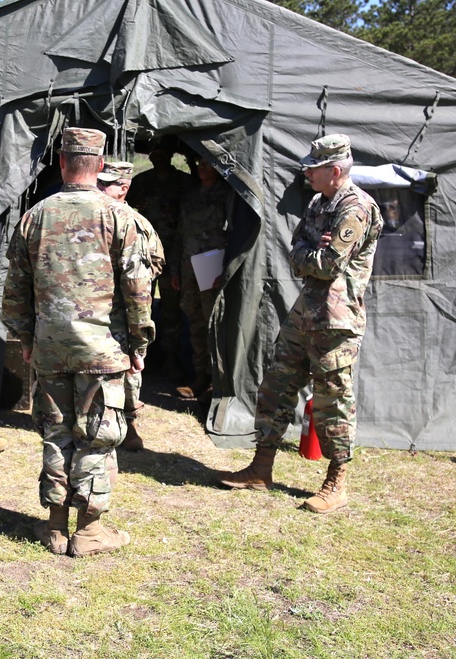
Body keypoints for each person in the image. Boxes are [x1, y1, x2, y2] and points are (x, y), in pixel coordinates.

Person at [3, 129, 155, 557]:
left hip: (50, 347)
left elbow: (14, 288)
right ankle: (88, 532)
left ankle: (54, 527)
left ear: (63, 164)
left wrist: (27, 339)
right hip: (104, 350)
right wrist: (139, 345)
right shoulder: (120, 217)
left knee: (56, 434)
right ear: (99, 166)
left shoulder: (35, 215)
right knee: (97, 437)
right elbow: (139, 289)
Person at [217, 134, 383, 514]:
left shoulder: (356, 208)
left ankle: (336, 482)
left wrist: (313, 251)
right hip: (305, 311)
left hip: (336, 322)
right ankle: (261, 469)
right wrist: (312, 249)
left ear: (335, 170)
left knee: (333, 401)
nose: (306, 171)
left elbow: (328, 265)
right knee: (275, 386)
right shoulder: (316, 202)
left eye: (314, 166)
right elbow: (296, 255)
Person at [97, 161, 165, 452]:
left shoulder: (137, 222)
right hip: (98, 311)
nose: (99, 188)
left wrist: (132, 277)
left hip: (124, 309)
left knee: (129, 368)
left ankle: (131, 422)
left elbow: (157, 260)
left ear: (123, 188)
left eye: (106, 184)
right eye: (98, 182)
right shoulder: (93, 215)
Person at [127, 143, 194, 383]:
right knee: (139, 305)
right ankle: (141, 356)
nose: (158, 157)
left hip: (173, 254)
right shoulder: (142, 181)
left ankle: (170, 359)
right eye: (154, 153)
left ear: (170, 154)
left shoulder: (183, 182)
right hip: (144, 254)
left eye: (162, 152)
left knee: (171, 309)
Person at [174, 157, 233, 401]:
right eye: (199, 162)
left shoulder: (228, 196)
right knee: (196, 322)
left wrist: (226, 269)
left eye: (208, 163)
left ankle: (217, 381)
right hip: (190, 268)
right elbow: (180, 234)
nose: (201, 166)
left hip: (214, 269)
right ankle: (201, 378)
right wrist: (176, 270)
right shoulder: (190, 196)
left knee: (214, 325)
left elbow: (235, 235)